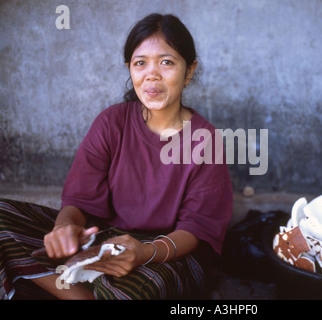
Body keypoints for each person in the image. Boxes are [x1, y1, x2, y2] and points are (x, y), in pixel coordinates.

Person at [0, 13, 233, 300]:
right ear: (130, 69)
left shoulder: (205, 140)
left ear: (189, 70)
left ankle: (69, 287)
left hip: (167, 253)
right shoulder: (111, 122)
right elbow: (78, 201)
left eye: (167, 62)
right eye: (140, 63)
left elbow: (195, 229)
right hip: (103, 239)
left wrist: (146, 252)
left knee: (137, 291)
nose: (152, 74)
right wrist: (64, 229)